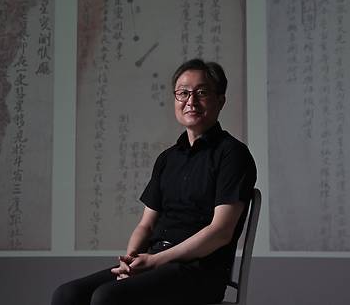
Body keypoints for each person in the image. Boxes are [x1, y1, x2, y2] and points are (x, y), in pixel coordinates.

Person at [52, 59, 256, 305]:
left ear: (220, 100)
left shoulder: (232, 154)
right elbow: (146, 226)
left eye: (201, 93)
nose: (190, 101)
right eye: (183, 93)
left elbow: (221, 232)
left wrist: (157, 261)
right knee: (67, 295)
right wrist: (130, 261)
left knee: (107, 298)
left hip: (199, 273)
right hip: (156, 263)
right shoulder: (167, 159)